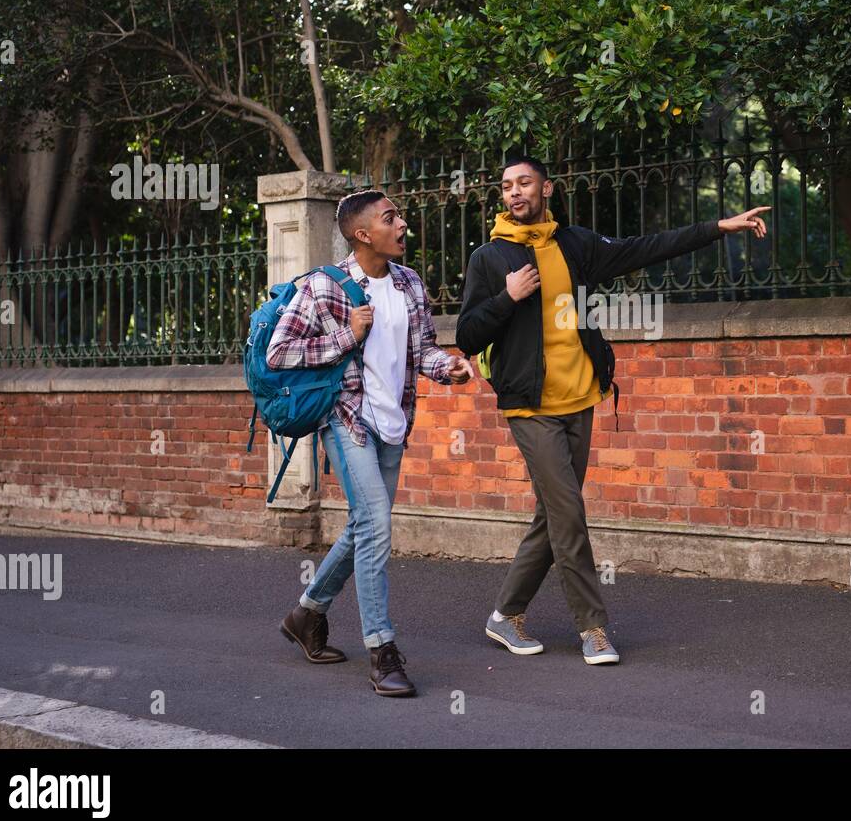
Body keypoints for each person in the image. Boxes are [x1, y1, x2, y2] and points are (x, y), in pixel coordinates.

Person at [456, 155, 768, 665]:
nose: (514, 193)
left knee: (554, 514)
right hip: (529, 406)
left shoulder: (574, 244)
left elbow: (643, 248)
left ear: (547, 189)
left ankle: (505, 615)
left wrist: (718, 227)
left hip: (581, 398)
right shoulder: (490, 259)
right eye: (507, 186)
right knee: (569, 514)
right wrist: (506, 298)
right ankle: (593, 629)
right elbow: (468, 335)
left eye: (524, 183)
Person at [268, 189, 472, 697]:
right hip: (347, 419)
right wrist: (344, 337)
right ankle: (382, 650)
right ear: (363, 234)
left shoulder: (408, 284)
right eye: (391, 218)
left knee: (364, 524)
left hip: (393, 421)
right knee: (377, 522)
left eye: (398, 215)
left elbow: (422, 352)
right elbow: (279, 352)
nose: (402, 223)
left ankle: (306, 613)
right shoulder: (323, 287)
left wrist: (449, 368)